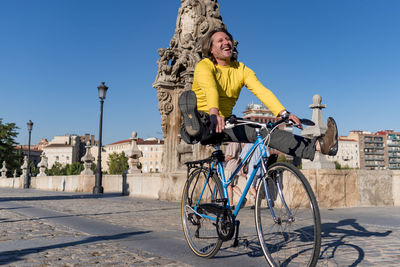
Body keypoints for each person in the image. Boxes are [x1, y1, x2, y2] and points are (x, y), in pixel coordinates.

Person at [178, 27, 338, 161]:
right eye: (220, 41)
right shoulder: (204, 65)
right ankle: (191, 126)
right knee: (202, 120)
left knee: (267, 133)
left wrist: (284, 113)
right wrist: (214, 112)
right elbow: (210, 88)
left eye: (228, 39)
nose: (226, 42)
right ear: (211, 49)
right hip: (207, 117)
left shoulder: (241, 70)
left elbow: (261, 91)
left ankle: (321, 145)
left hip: (226, 122)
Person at [224, 142, 244, 208]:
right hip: (235, 166)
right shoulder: (238, 143)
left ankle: (231, 204)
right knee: (232, 185)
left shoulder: (233, 143)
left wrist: (223, 159)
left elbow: (231, 156)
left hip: (230, 166)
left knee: (228, 186)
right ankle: (242, 197)